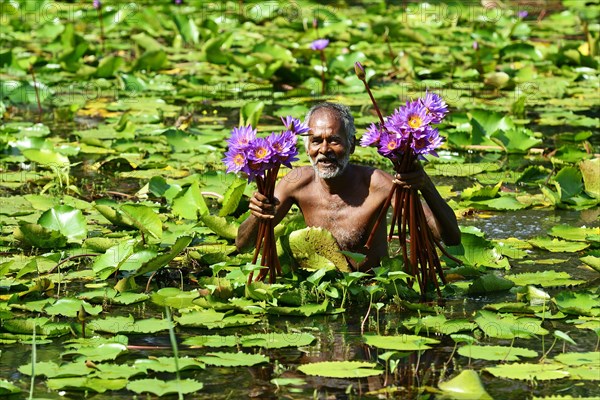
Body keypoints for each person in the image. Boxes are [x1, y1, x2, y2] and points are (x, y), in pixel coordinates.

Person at [235, 103, 460, 272]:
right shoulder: (296, 183)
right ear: (307, 148)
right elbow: (243, 244)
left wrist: (426, 185)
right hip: (321, 288)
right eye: (316, 141)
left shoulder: (379, 184)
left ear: (351, 145)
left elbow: (449, 237)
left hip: (373, 290)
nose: (324, 149)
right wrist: (258, 215)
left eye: (334, 140)